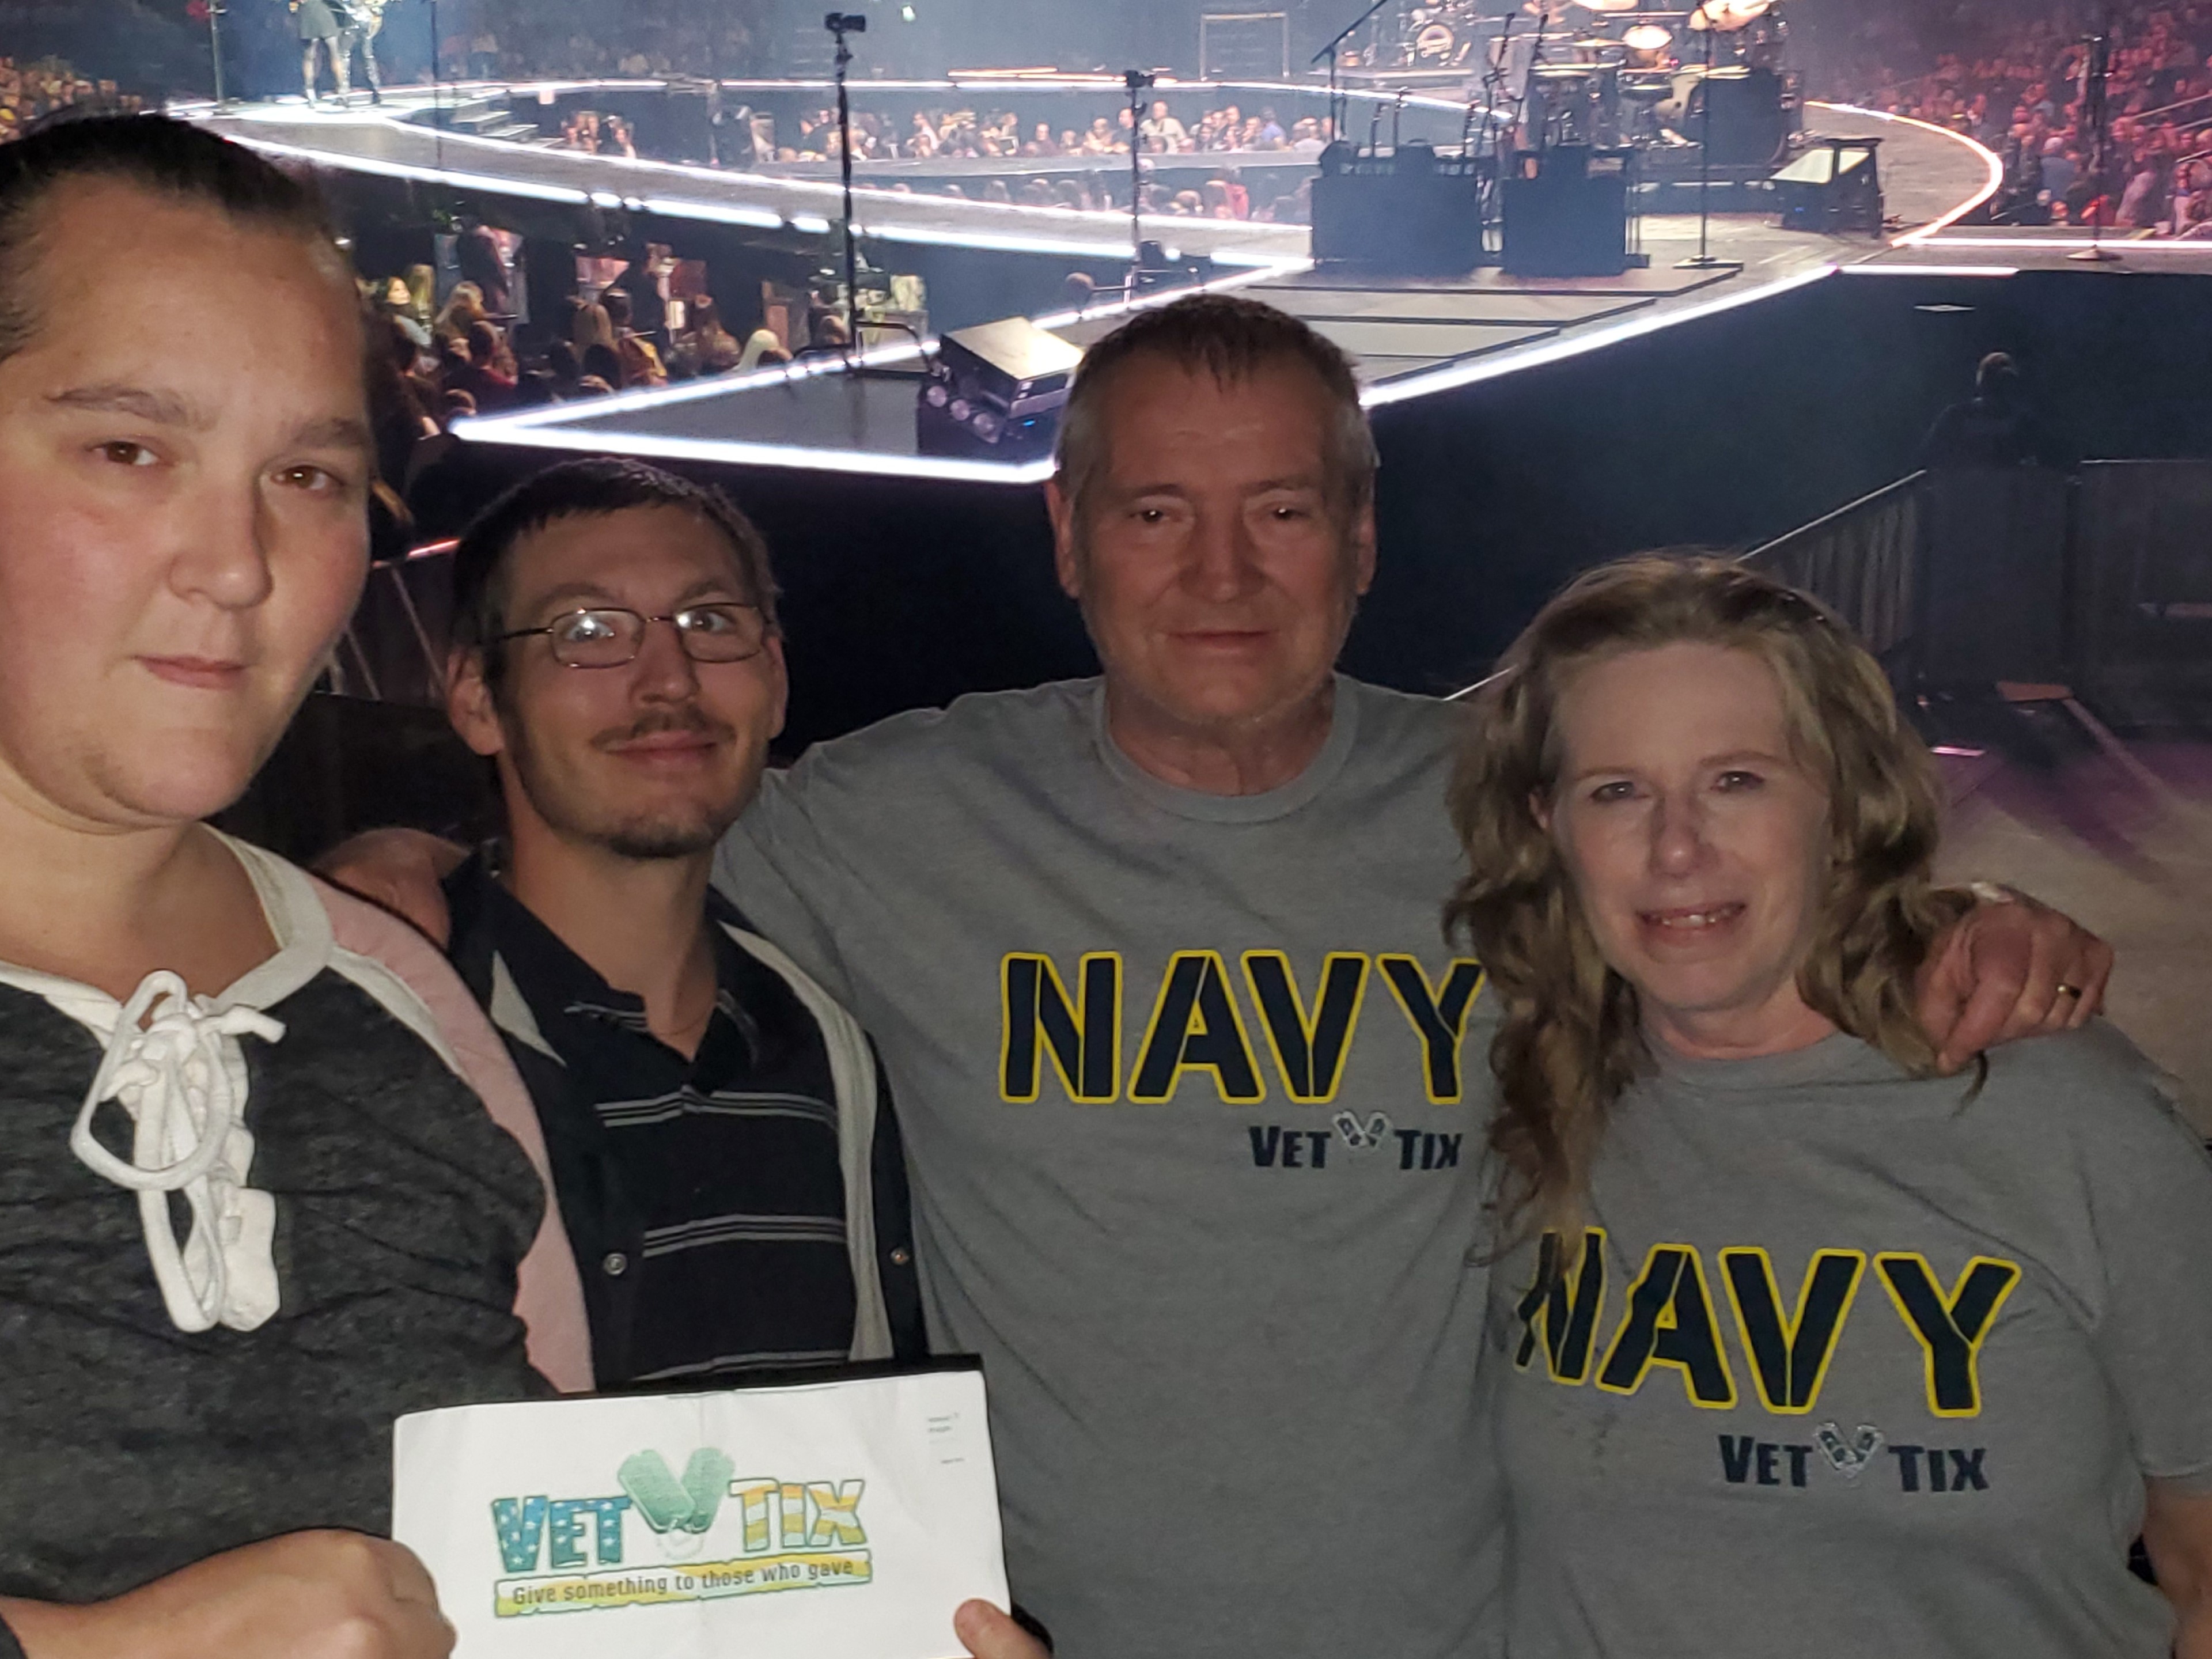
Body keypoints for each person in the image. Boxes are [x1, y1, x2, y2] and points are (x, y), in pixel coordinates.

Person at [325, 295, 2111, 1659]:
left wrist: (1948, 921)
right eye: (1158, 512)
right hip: (1023, 1636)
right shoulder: (896, 819)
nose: (1222, 574)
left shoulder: (1515, 808)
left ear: (1360, 536)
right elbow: (613, 845)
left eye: (1279, 510)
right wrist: (394, 880)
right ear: (1065, 533)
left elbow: (1737, 914)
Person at [0, 113, 596, 1659]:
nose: (241, 562)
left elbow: (572, 1590)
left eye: (309, 473)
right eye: (130, 450)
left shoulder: (396, 999)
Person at [1449, 555, 2212, 1657]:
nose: (1676, 847)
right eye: (1617, 791)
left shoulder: (2066, 1118)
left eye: (1737, 780)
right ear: (1549, 825)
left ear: (1844, 808)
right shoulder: (1519, 1105)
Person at [437, 458, 926, 1386]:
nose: (668, 680)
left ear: (774, 679)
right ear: (478, 700)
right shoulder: (389, 1046)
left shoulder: (849, 1044)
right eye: (588, 631)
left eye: (709, 623)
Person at [1918, 351, 2056, 469]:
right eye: (1995, 382)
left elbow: (2047, 458)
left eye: (2006, 382)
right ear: (1984, 384)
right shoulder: (1956, 417)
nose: (2000, 388)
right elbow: (1931, 455)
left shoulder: (2024, 423)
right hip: (1964, 488)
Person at [289, 0, 346, 104]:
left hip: (309, 15)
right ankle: (342, 91)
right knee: (335, 55)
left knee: (309, 57)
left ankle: (310, 90)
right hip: (323, 13)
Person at [335, 0, 387, 103]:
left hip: (351, 18)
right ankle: (376, 89)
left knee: (344, 56)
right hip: (365, 18)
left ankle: (343, 93)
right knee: (367, 56)